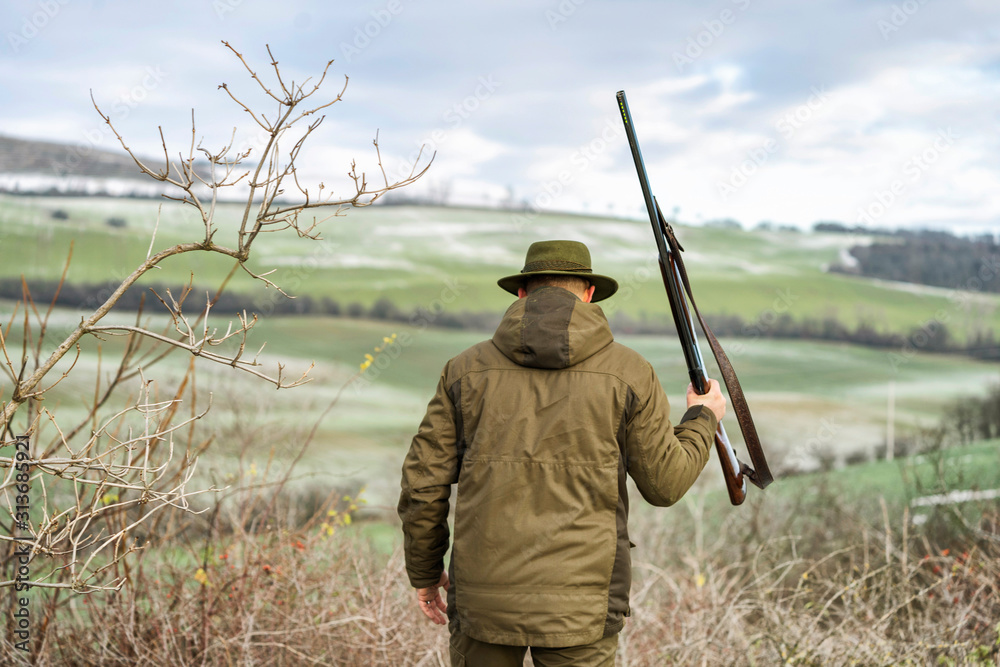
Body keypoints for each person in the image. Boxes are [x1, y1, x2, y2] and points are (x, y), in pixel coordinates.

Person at [397, 240, 726, 666]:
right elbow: (666, 485)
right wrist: (702, 417)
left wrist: (425, 573)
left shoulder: (463, 371)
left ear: (521, 293)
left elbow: (423, 486)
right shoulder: (631, 372)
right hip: (583, 608)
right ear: (589, 294)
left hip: (483, 603)